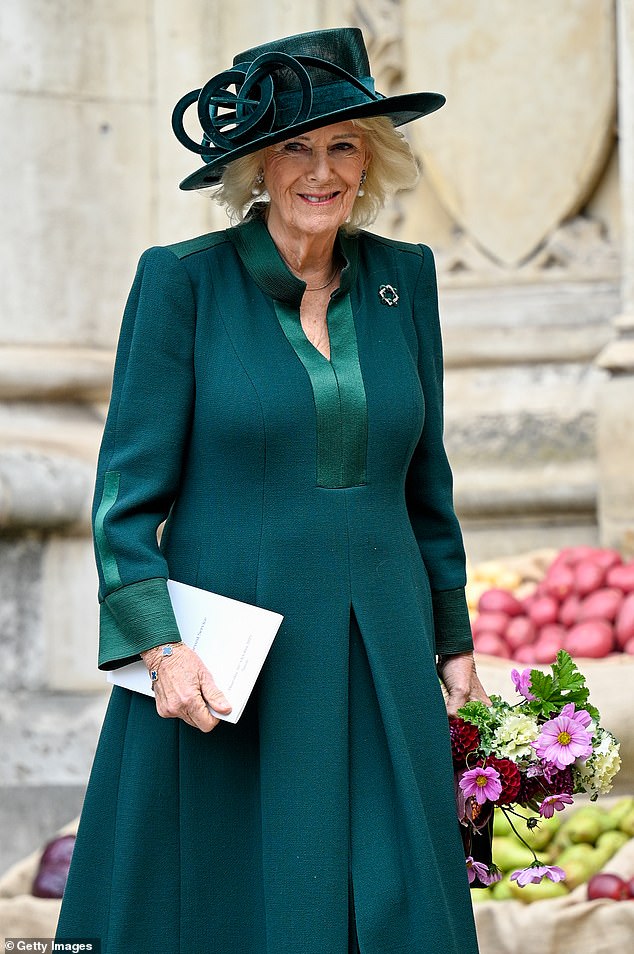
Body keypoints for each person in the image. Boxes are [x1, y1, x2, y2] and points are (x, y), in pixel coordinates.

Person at [56, 27, 490, 954]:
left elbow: (428, 482)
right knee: (230, 906)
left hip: (384, 643)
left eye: (342, 144)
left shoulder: (403, 282)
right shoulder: (182, 284)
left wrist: (453, 643)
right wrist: (160, 651)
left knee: (400, 899)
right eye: (295, 145)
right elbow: (125, 496)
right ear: (256, 162)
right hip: (231, 665)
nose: (321, 170)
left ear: (372, 156)